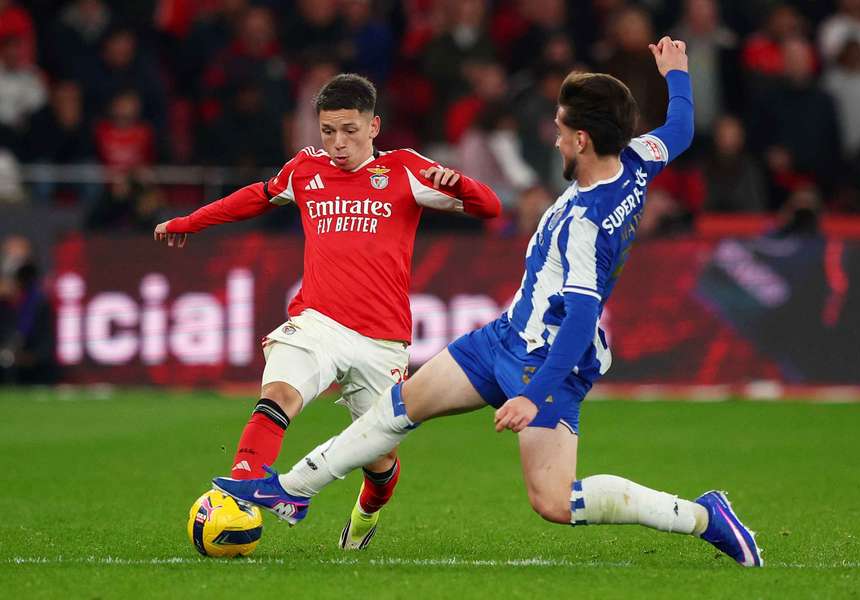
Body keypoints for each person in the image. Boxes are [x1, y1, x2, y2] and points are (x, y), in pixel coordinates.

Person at [212, 39, 763, 568]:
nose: (554, 140)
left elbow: (581, 320)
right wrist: (677, 74)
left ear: (583, 142)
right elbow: (682, 128)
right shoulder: (637, 159)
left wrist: (534, 395)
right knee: (399, 407)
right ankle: (291, 490)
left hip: (545, 362)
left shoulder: (583, 224)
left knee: (552, 501)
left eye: (560, 131)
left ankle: (702, 517)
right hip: (503, 337)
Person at [154, 73, 501, 549]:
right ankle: (244, 488)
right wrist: (189, 222)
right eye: (328, 131)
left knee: (380, 465)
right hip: (318, 320)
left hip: (383, 340)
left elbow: (490, 208)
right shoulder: (305, 171)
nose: (338, 143)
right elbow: (254, 197)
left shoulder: (404, 171)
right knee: (280, 392)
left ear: (374, 126)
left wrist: (460, 183)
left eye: (350, 131)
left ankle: (363, 517)